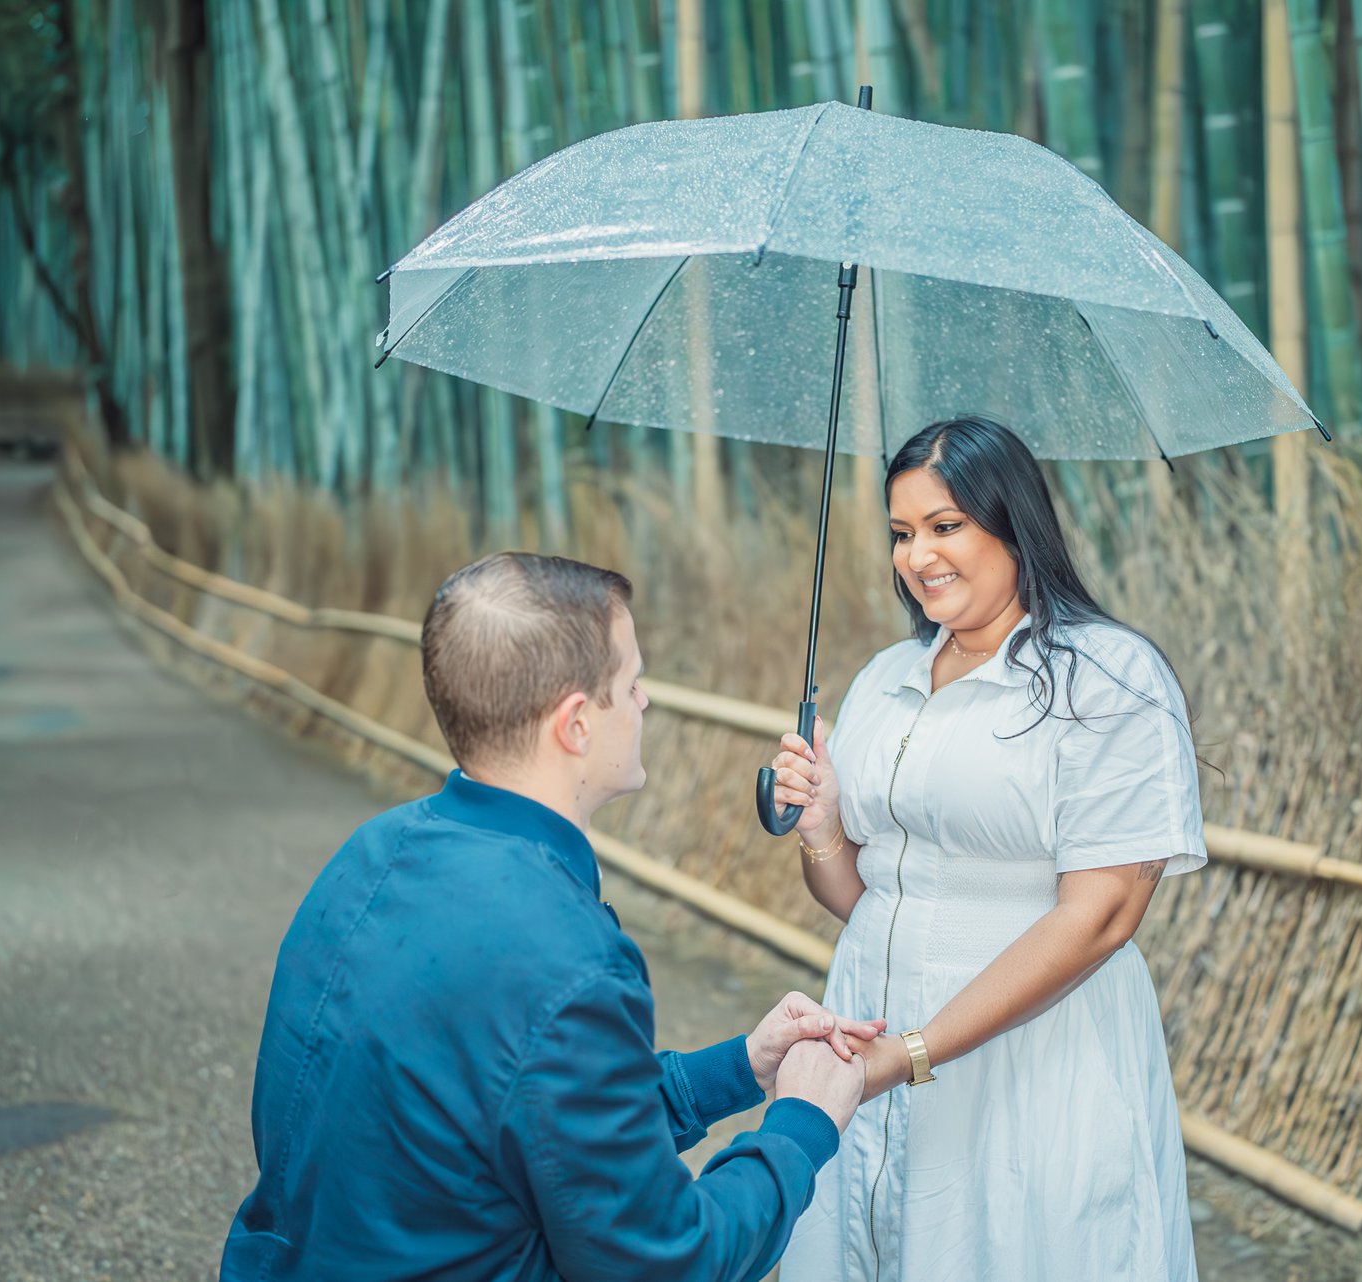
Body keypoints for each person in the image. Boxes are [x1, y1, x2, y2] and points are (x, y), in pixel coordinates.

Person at [222, 551, 884, 1282]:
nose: (644, 703)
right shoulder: (568, 957)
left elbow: (539, 1117)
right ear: (575, 725)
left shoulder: (370, 852)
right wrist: (801, 1124)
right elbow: (664, 1260)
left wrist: (740, 1067)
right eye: (630, 684)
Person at [768, 417, 1207, 1282]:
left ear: (1014, 525)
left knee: (1010, 1244)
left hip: (1030, 1044)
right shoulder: (885, 680)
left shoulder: (1104, 679)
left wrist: (914, 1053)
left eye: (946, 526)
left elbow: (1102, 917)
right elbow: (873, 900)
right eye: (901, 533)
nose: (918, 556)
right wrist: (822, 833)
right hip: (871, 1031)